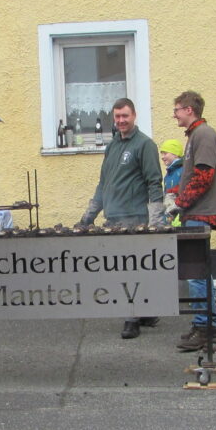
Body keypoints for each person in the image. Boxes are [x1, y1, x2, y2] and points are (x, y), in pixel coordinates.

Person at [79, 98, 167, 339]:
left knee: (130, 270)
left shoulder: (145, 145)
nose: (120, 121)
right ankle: (146, 312)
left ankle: (132, 319)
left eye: (125, 116)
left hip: (135, 217)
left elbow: (153, 182)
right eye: (117, 117)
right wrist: (89, 216)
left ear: (134, 116)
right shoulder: (113, 146)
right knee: (124, 270)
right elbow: (103, 183)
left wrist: (155, 220)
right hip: (114, 217)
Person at [166, 91, 216, 352]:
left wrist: (179, 203)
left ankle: (206, 328)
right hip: (195, 213)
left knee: (196, 274)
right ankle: (206, 325)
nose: (175, 114)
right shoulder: (196, 136)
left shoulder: (204, 135)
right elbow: (195, 176)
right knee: (201, 274)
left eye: (177, 109)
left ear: (189, 110)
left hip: (199, 214)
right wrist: (176, 194)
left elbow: (204, 176)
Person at [160, 138, 185, 228]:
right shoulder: (168, 174)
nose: (162, 157)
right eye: (161, 154)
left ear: (175, 154)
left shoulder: (183, 171)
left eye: (165, 153)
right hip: (171, 219)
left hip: (180, 219)